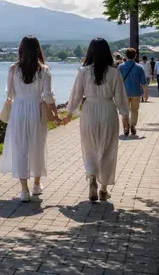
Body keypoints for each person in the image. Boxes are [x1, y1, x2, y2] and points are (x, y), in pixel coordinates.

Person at [63, 38, 130, 203]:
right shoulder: (114, 71)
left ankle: (92, 177)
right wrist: (125, 116)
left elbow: (76, 95)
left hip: (89, 111)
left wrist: (69, 113)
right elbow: (121, 96)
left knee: (90, 147)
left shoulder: (83, 71)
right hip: (108, 110)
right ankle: (103, 189)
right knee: (108, 150)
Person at [0, 36, 61, 202]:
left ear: (21, 50)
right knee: (37, 146)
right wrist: (56, 115)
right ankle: (36, 184)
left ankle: (24, 190)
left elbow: (10, 94)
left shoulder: (13, 69)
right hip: (36, 110)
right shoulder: (44, 70)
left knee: (21, 148)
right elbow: (48, 96)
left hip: (18, 110)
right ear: (38, 50)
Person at [119, 49, 147, 136]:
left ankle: (126, 127)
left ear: (126, 56)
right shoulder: (139, 67)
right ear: (135, 56)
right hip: (136, 93)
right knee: (134, 110)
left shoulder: (120, 67)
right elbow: (143, 82)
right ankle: (133, 126)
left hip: (124, 93)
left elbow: (117, 81)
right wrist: (146, 93)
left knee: (125, 111)